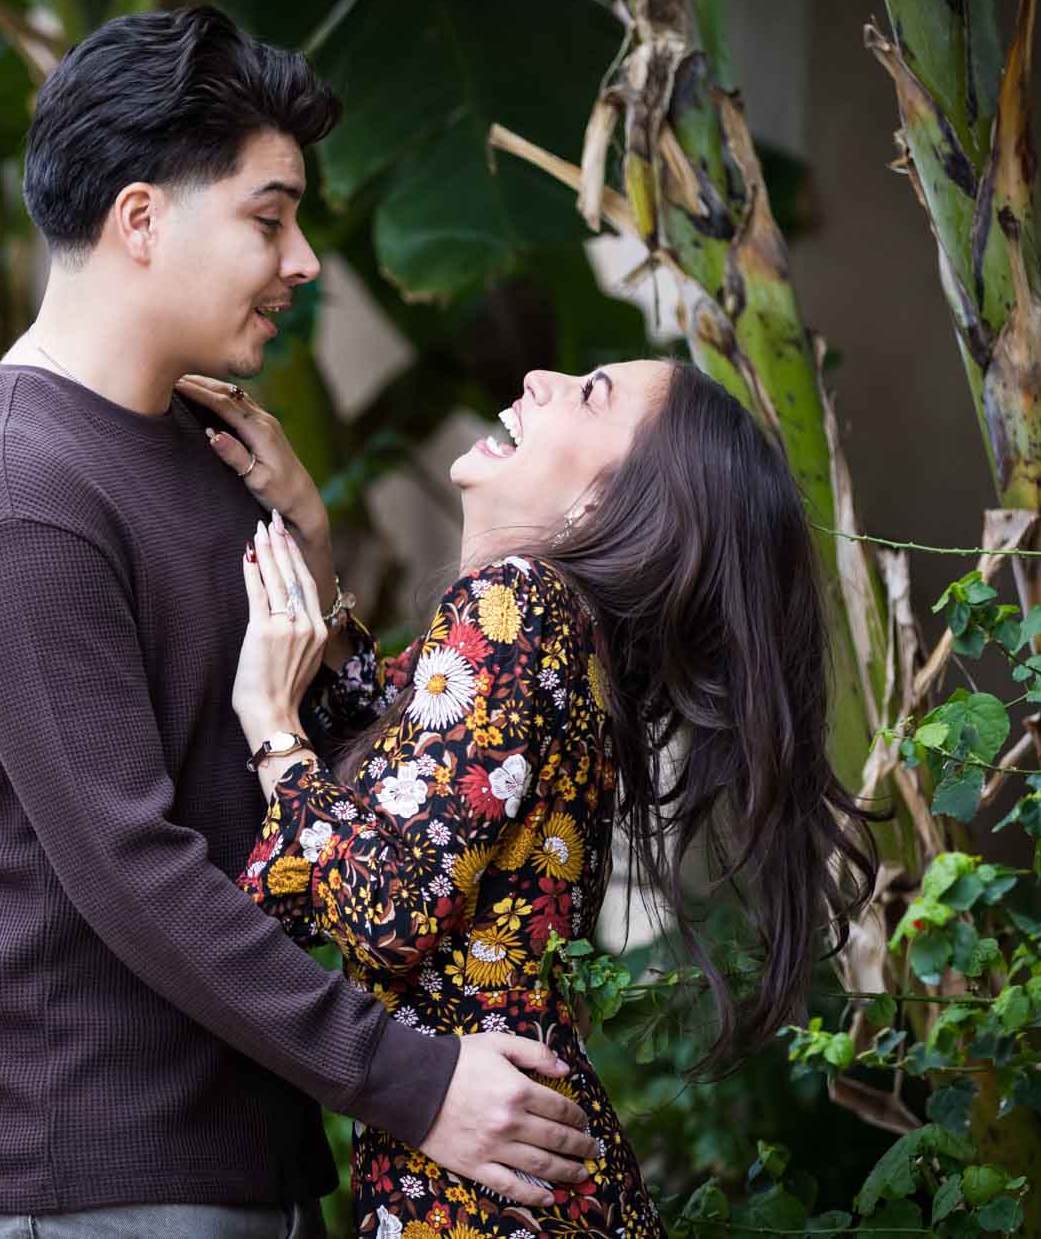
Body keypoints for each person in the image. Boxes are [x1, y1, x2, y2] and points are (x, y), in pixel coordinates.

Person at [0, 6, 597, 1239]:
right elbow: (135, 870)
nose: (304, 259)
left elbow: (328, 791)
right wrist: (413, 1082)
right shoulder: (19, 498)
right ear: (141, 221)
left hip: (243, 1162)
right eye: (268, 218)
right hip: (91, 1185)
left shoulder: (207, 450)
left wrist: (316, 560)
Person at [203, 360, 881, 1235]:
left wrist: (271, 729)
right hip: (514, 1163)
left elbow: (388, 903)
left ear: (610, 506)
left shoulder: (521, 603)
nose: (539, 376)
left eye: (593, 392)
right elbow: (410, 799)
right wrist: (315, 549)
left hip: (490, 1185)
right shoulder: (553, 633)